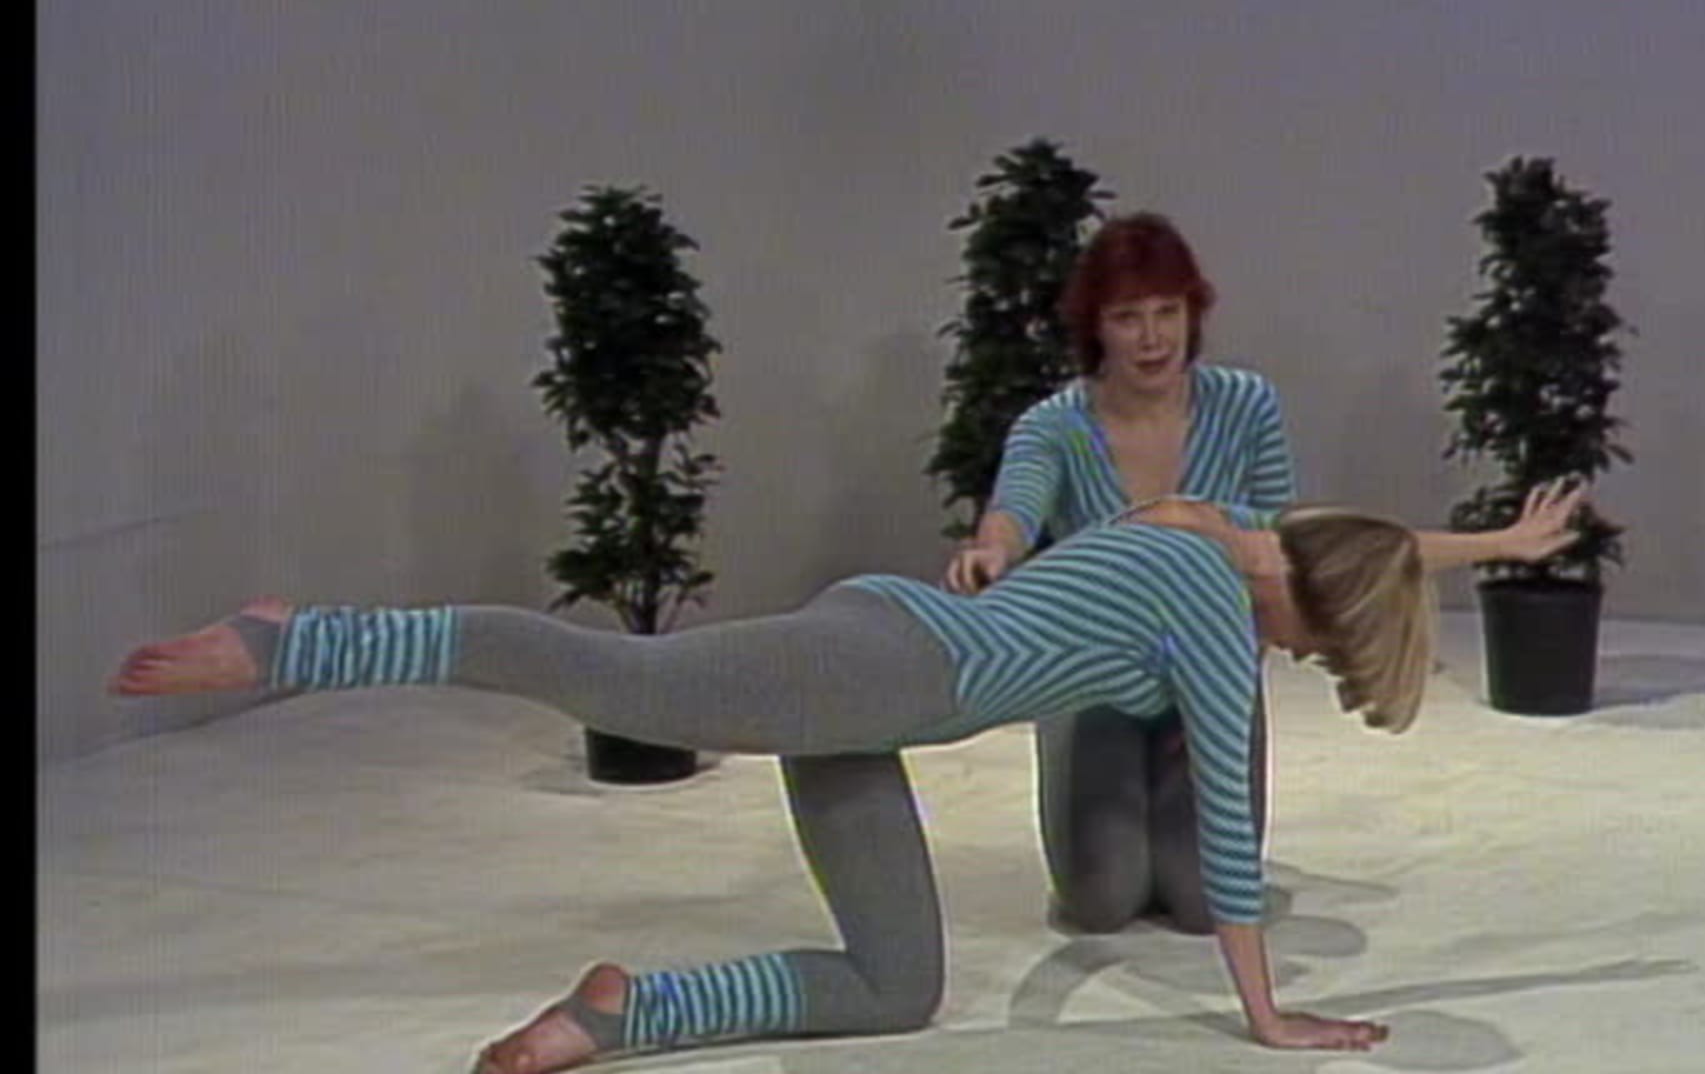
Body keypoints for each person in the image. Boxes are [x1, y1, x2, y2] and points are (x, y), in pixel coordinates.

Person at [111, 482, 1584, 1073]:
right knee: (623, 681)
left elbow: (1358, 547)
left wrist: (1495, 549)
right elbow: (1232, 826)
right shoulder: (1217, 603)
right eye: (1313, 647)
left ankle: (620, 1016)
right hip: (883, 670)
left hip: (881, 678)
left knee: (896, 986)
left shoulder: (1210, 526)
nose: (1291, 658)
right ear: (1303, 603)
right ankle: (302, 639)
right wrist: (1267, 1014)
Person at [946, 211, 1567, 935]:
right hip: (1094, 680)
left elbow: (1305, 548)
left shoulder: (1245, 405)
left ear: (1193, 313)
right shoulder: (1053, 426)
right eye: (1127, 317)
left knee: (1208, 904)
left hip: (1211, 681)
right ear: (1096, 327)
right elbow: (1014, 513)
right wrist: (992, 552)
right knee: (1102, 902)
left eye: (1167, 312)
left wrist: (1502, 542)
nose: (1152, 338)